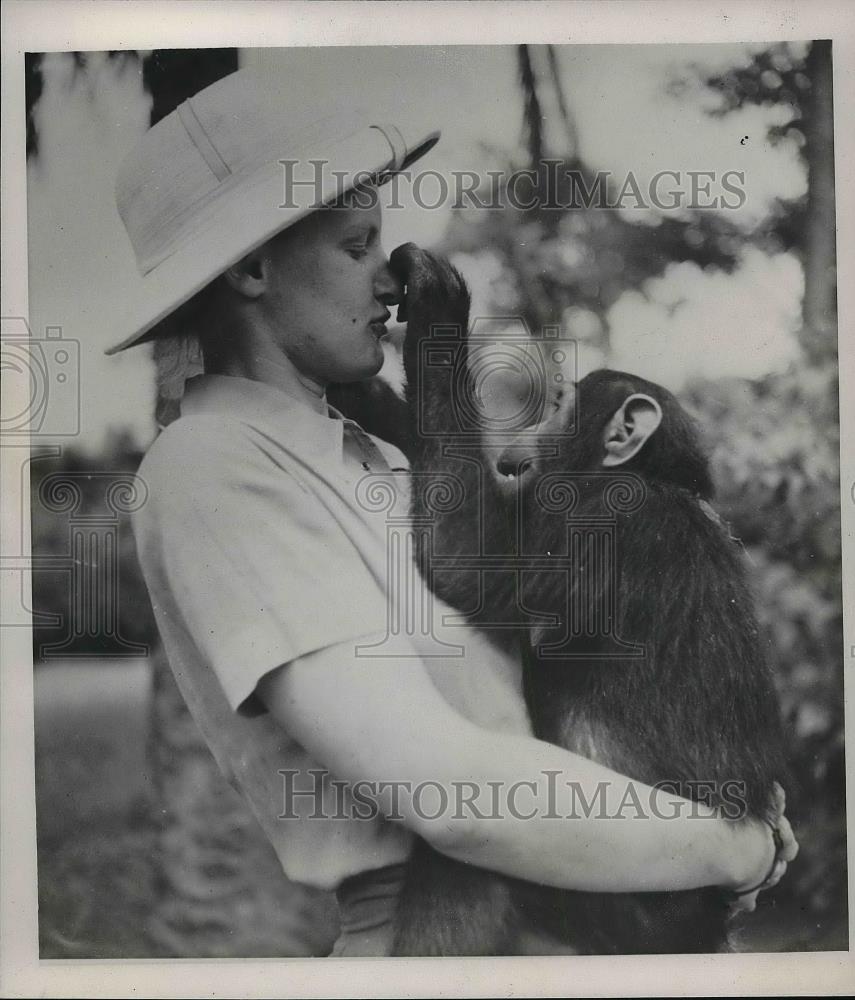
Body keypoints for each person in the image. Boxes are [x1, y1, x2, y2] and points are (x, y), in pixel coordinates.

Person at [108, 68, 797, 957]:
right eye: (359, 246)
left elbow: (502, 594)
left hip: (576, 911)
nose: (391, 278)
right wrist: (728, 849)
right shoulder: (214, 466)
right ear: (250, 266)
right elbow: (454, 796)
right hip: (454, 932)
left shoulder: (367, 458)